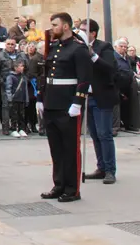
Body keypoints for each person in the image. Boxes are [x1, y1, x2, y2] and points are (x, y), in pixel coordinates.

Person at [37, 12, 92, 203]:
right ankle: (59, 184)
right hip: (52, 102)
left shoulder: (78, 50)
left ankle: (72, 189)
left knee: (70, 148)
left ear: (66, 26)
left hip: (68, 105)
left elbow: (84, 78)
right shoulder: (54, 47)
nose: (52, 28)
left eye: (55, 25)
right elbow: (45, 75)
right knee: (56, 149)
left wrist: (78, 102)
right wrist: (40, 98)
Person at [81, 20, 119, 184]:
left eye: (83, 30)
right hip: (87, 97)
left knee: (105, 134)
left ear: (93, 33)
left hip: (102, 96)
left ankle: (110, 169)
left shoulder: (104, 47)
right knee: (95, 135)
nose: (80, 32)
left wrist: (93, 56)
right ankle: (101, 167)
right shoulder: (79, 48)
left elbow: (109, 68)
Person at [6, 60, 30, 138]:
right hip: (14, 98)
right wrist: (9, 98)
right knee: (14, 115)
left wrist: (26, 99)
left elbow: (25, 89)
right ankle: (13, 129)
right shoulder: (11, 76)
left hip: (22, 98)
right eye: (20, 66)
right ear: (15, 67)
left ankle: (21, 128)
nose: (22, 68)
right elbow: (8, 88)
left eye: (22, 66)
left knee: (22, 114)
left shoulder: (23, 77)